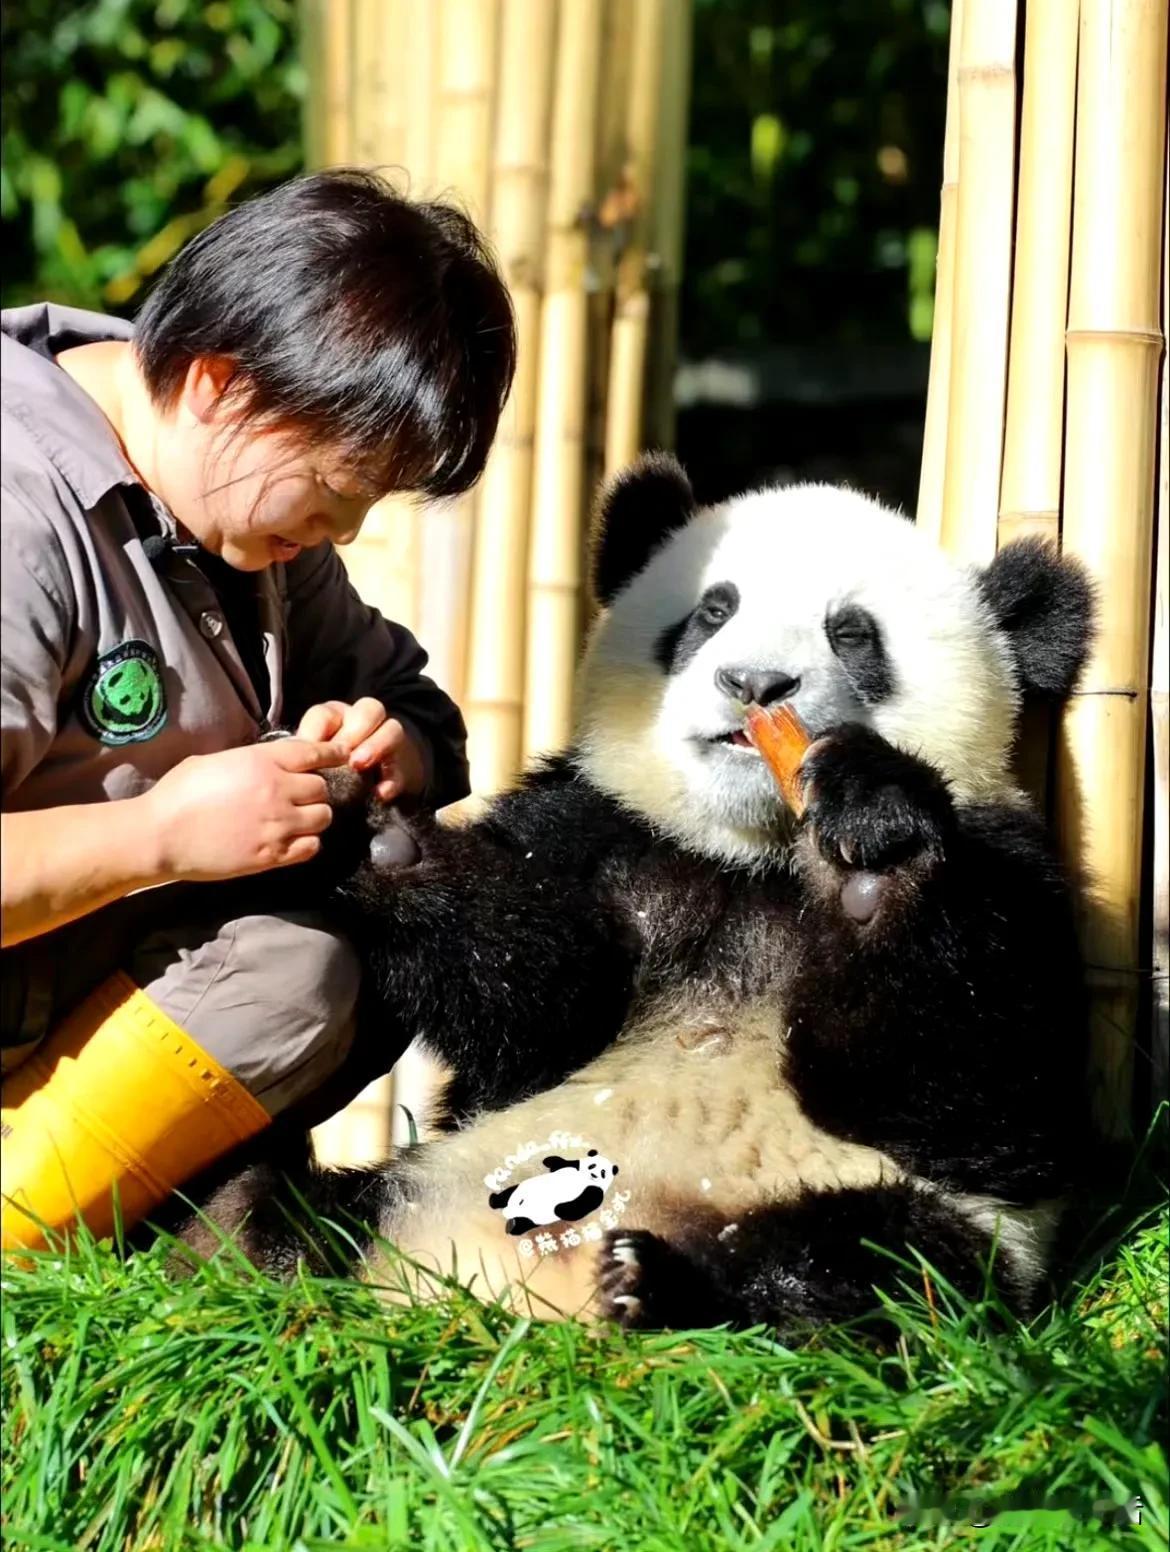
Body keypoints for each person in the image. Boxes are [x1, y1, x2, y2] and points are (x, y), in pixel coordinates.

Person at [0, 169, 516, 1249]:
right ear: (223, 385)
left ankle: (165, 1208)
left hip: (90, 1005)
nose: (349, 530)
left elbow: (423, 711)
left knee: (410, 884)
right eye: (338, 486)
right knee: (305, 963)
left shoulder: (235, 513)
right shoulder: (20, 518)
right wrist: (161, 834)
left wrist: (390, 749)